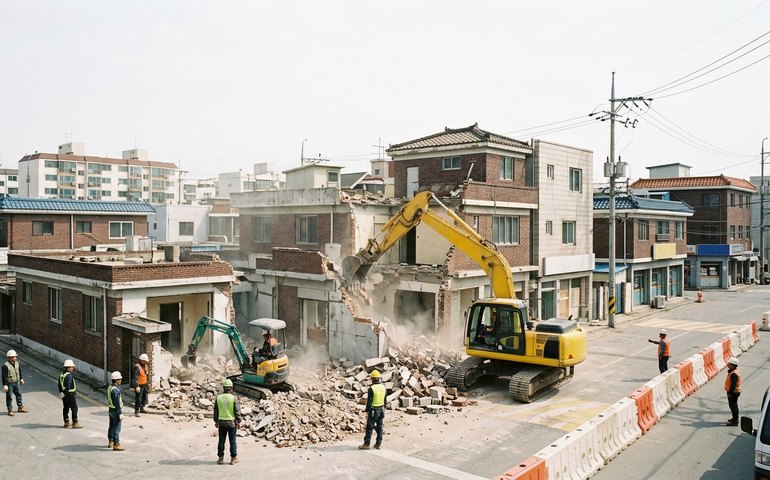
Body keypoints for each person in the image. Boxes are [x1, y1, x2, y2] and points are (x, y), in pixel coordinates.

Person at [214, 378, 242, 465]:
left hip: (221, 423)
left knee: (221, 440)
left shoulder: (218, 398)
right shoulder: (233, 398)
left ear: (224, 388)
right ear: (231, 388)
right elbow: (237, 411)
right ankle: (233, 458)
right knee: (232, 441)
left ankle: (220, 458)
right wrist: (239, 421)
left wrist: (216, 421)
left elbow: (216, 411)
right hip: (231, 423)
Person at [359, 369, 386, 450]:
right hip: (381, 409)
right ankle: (378, 443)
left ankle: (366, 444)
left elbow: (369, 402)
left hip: (374, 410)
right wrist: (384, 409)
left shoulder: (372, 388)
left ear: (373, 379)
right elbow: (385, 400)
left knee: (369, 427)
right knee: (380, 427)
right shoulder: (383, 387)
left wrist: (367, 410)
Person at [2, 350, 27, 416]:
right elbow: (4, 376)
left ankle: (20, 407)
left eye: (15, 357)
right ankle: (10, 410)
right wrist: (5, 385)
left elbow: (19, 371)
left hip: (16, 382)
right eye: (12, 357)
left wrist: (21, 378)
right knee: (9, 396)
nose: (14, 358)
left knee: (19, 394)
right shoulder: (5, 366)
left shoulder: (17, 363)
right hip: (9, 383)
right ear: (8, 358)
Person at [59, 359, 83, 429]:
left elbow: (59, 385)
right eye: (71, 367)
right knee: (74, 407)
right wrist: (66, 393)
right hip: (70, 394)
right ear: (68, 367)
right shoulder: (69, 376)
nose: (73, 368)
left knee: (66, 407)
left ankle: (66, 422)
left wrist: (62, 394)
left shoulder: (61, 375)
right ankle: (75, 422)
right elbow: (68, 386)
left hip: (64, 395)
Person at [107, 371, 125, 451]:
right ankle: (116, 443)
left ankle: (110, 441)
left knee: (111, 426)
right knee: (117, 428)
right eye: (119, 379)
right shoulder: (115, 390)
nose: (120, 381)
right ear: (116, 380)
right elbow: (116, 402)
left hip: (111, 409)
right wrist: (120, 413)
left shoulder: (110, 387)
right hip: (115, 410)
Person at [725, 357, 742, 426]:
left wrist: (729, 393)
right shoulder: (734, 371)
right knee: (733, 405)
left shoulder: (734, 374)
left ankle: (735, 420)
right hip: (734, 392)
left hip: (733, 392)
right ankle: (734, 418)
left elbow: (733, 385)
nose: (728, 365)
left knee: (733, 406)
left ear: (732, 365)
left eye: (729, 364)